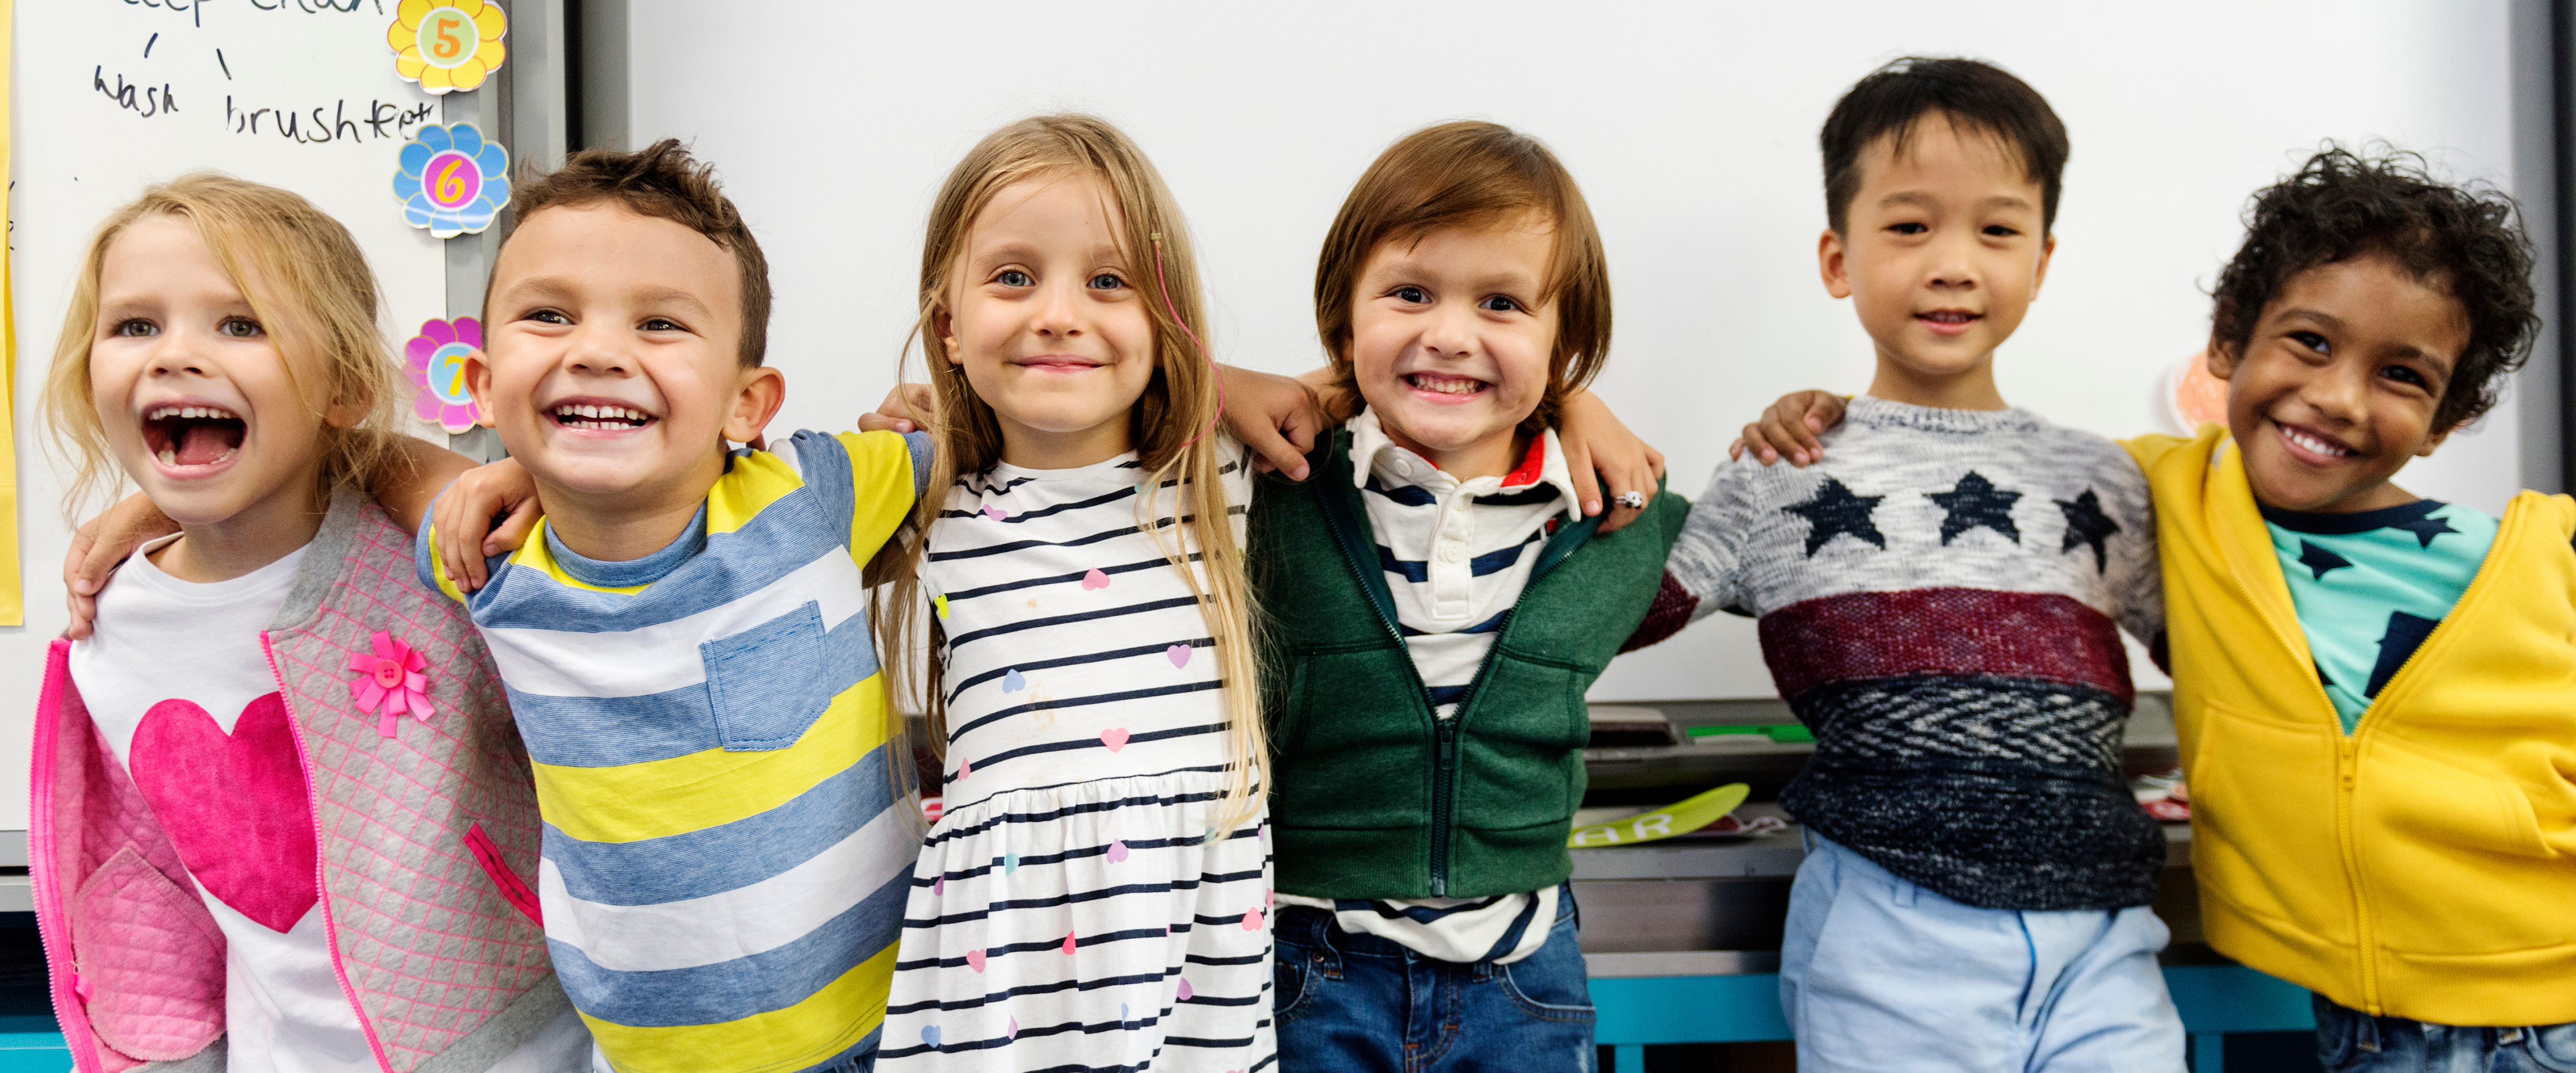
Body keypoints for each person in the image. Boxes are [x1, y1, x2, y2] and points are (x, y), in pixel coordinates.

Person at [1745, 145, 2576, 1071]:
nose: (2338, 397)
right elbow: (1978, 462)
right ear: (2228, 341)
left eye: (2403, 376)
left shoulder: (2528, 560)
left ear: (2446, 419)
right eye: (2311, 342)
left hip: (2548, 1007)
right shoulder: (2156, 494)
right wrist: (1837, 420)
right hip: (2369, 1021)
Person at [1653, 59, 2183, 1070]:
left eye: (1997, 231)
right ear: (1837, 258)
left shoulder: (2101, 479)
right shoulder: (1785, 469)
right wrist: (1575, 423)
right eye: (1908, 226)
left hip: (2105, 934)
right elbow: (1616, 613)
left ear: (2043, 260)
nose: (1953, 264)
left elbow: (2233, 659)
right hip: (1891, 928)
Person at [31, 175, 592, 1073]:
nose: (176, 355)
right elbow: (149, 902)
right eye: (135, 326)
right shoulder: (108, 626)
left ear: (345, 387)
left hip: (522, 1045)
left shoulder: (441, 567)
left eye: (240, 324)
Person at [415, 141, 927, 1072]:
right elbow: (350, 464)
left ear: (747, 404)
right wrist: (153, 508)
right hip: (647, 1055)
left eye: (659, 324)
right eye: (549, 315)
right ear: (483, 387)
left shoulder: (807, 497)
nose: (597, 351)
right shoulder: (487, 556)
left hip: (892, 1029)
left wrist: (933, 410)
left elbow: (999, 436)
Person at [1253, 120, 1689, 1073]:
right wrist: (1313, 388)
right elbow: (1121, 402)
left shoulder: (1606, 508)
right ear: (1345, 319)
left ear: (1565, 343)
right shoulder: (1270, 486)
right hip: (1309, 964)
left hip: (1523, 975)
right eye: (1410, 294)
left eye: (1501, 302)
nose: (1449, 334)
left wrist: (1571, 400)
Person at [860, 114, 1276, 1073]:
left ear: (1168, 322)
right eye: (1013, 277)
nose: (1057, 314)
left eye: (1110, 282)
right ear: (949, 327)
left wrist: (1579, 403)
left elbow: (1410, 377)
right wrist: (526, 475)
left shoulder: (1222, 475)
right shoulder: (921, 496)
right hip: (1001, 984)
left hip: (1192, 978)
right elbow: (702, 504)